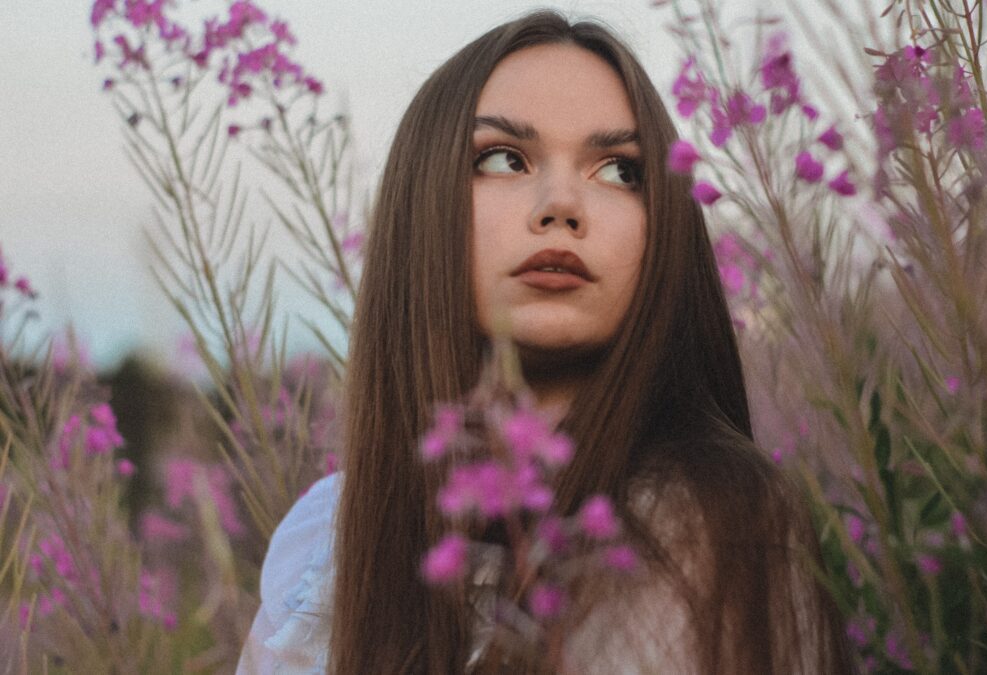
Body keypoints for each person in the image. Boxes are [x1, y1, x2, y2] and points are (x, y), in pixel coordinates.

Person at [240, 10, 852, 674]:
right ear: (422, 203)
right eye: (504, 158)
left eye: (620, 170)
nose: (561, 204)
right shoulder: (322, 541)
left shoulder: (711, 522)